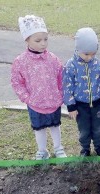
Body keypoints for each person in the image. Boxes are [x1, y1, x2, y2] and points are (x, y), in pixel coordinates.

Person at [11, 15, 67, 160]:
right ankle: (42, 150)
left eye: (45, 39)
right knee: (39, 128)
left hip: (54, 101)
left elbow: (61, 77)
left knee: (55, 125)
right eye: (38, 40)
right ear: (27, 40)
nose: (43, 43)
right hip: (35, 103)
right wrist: (27, 98)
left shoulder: (53, 59)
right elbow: (17, 82)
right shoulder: (20, 62)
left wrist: (61, 94)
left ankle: (58, 148)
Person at [63, 27, 100, 157]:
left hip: (97, 104)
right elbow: (67, 87)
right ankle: (85, 148)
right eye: (86, 54)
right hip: (80, 106)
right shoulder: (71, 65)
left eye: (93, 54)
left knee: (99, 128)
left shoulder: (98, 64)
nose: (90, 57)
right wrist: (71, 106)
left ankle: (99, 147)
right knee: (84, 130)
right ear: (78, 50)